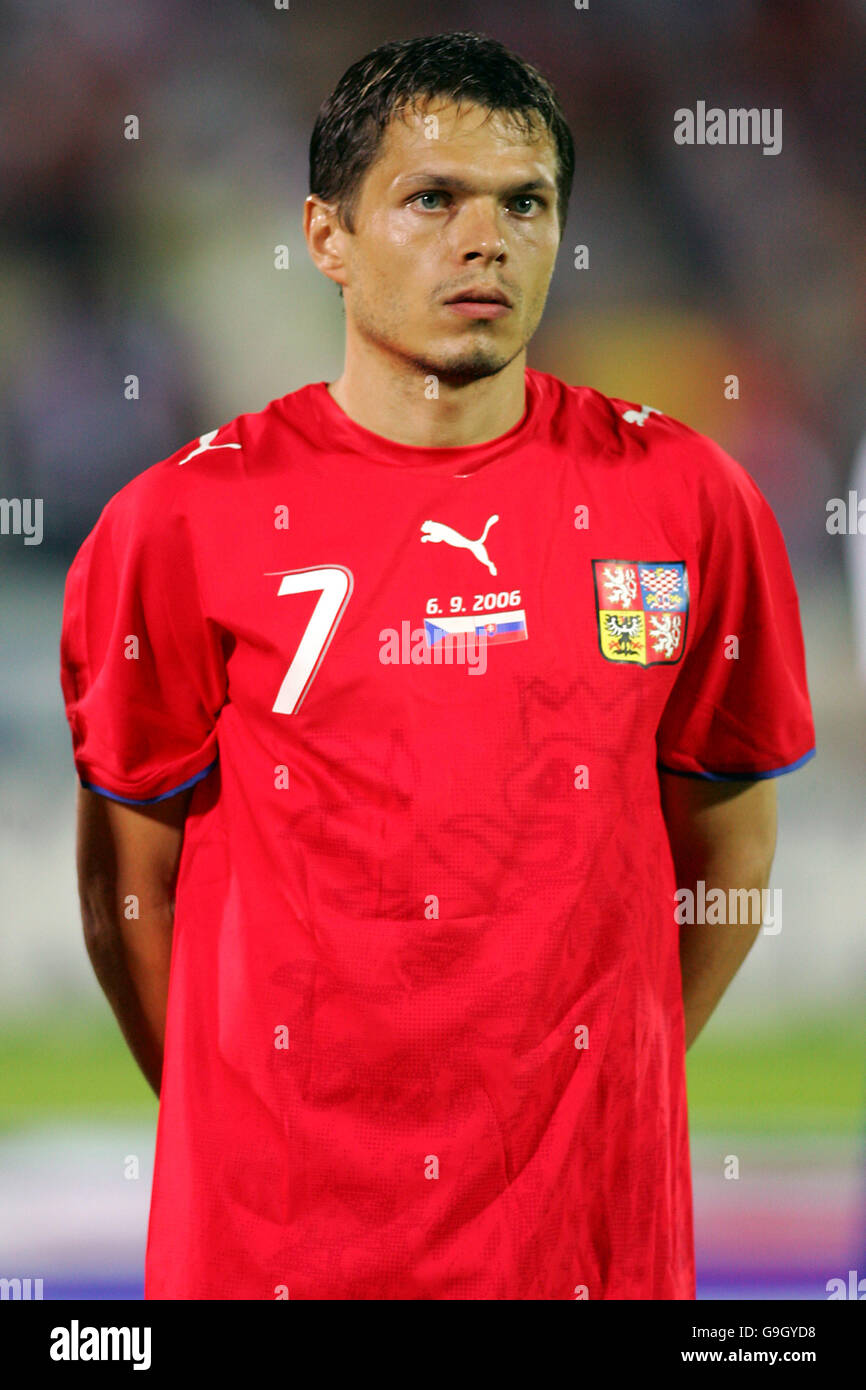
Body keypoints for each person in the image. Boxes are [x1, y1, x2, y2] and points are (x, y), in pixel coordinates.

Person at [60, 31, 815, 1300]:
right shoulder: (176, 524)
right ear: (326, 237)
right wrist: (244, 1118)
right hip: (274, 1246)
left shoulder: (684, 500)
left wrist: (594, 1083)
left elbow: (727, 849)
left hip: (585, 1242)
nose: (487, 240)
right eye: (431, 200)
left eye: (524, 203)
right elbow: (126, 892)